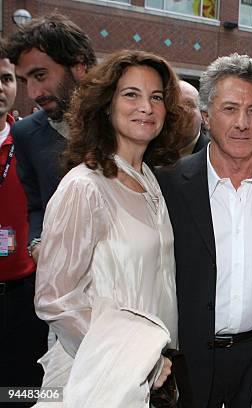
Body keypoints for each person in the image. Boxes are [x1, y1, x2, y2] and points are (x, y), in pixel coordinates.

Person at [34, 50, 189, 402]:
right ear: (106, 105)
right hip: (101, 376)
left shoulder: (150, 179)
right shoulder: (85, 187)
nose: (146, 107)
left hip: (154, 377)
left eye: (156, 97)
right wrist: (136, 360)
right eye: (131, 94)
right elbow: (54, 299)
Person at [156, 53, 252, 408]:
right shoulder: (169, 183)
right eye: (230, 109)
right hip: (186, 359)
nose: (242, 122)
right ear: (208, 117)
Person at [7, 13, 96, 265]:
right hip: (64, 282)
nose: (33, 93)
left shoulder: (126, 121)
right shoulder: (25, 134)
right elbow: (36, 206)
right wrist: (36, 243)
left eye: (41, 75)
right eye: (25, 81)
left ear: (78, 66)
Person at [0, 39, 48, 398]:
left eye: (5, 79)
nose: (1, 89)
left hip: (23, 296)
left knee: (21, 392)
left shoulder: (28, 140)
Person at [178, 80, 206, 157]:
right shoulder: (148, 151)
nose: (181, 109)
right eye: (173, 103)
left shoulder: (215, 155)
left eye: (188, 104)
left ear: (203, 116)